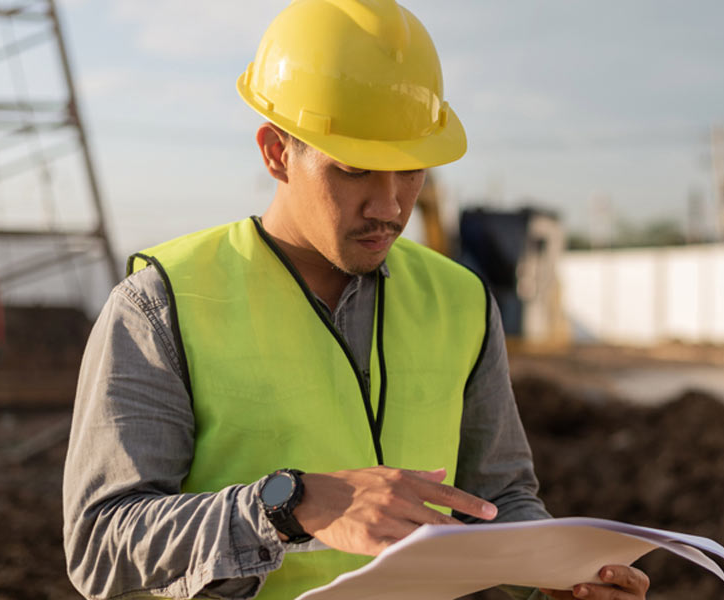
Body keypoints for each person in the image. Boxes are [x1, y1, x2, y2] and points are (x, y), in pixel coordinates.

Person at [60, 1, 651, 599]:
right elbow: (101, 544)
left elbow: (500, 500)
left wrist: (557, 577)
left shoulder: (462, 301)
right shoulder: (163, 304)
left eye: (411, 171)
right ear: (275, 152)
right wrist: (287, 508)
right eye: (355, 170)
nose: (390, 207)